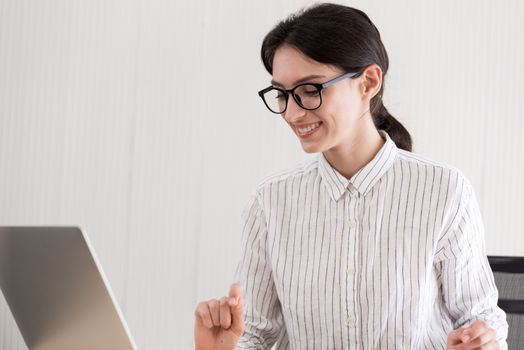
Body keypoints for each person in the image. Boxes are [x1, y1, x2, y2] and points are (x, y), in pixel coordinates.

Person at [194, 3, 508, 349]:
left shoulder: (443, 191)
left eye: (310, 90)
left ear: (369, 82)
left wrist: (483, 340)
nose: (292, 112)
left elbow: (479, 317)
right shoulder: (270, 203)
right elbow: (253, 333)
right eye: (282, 94)